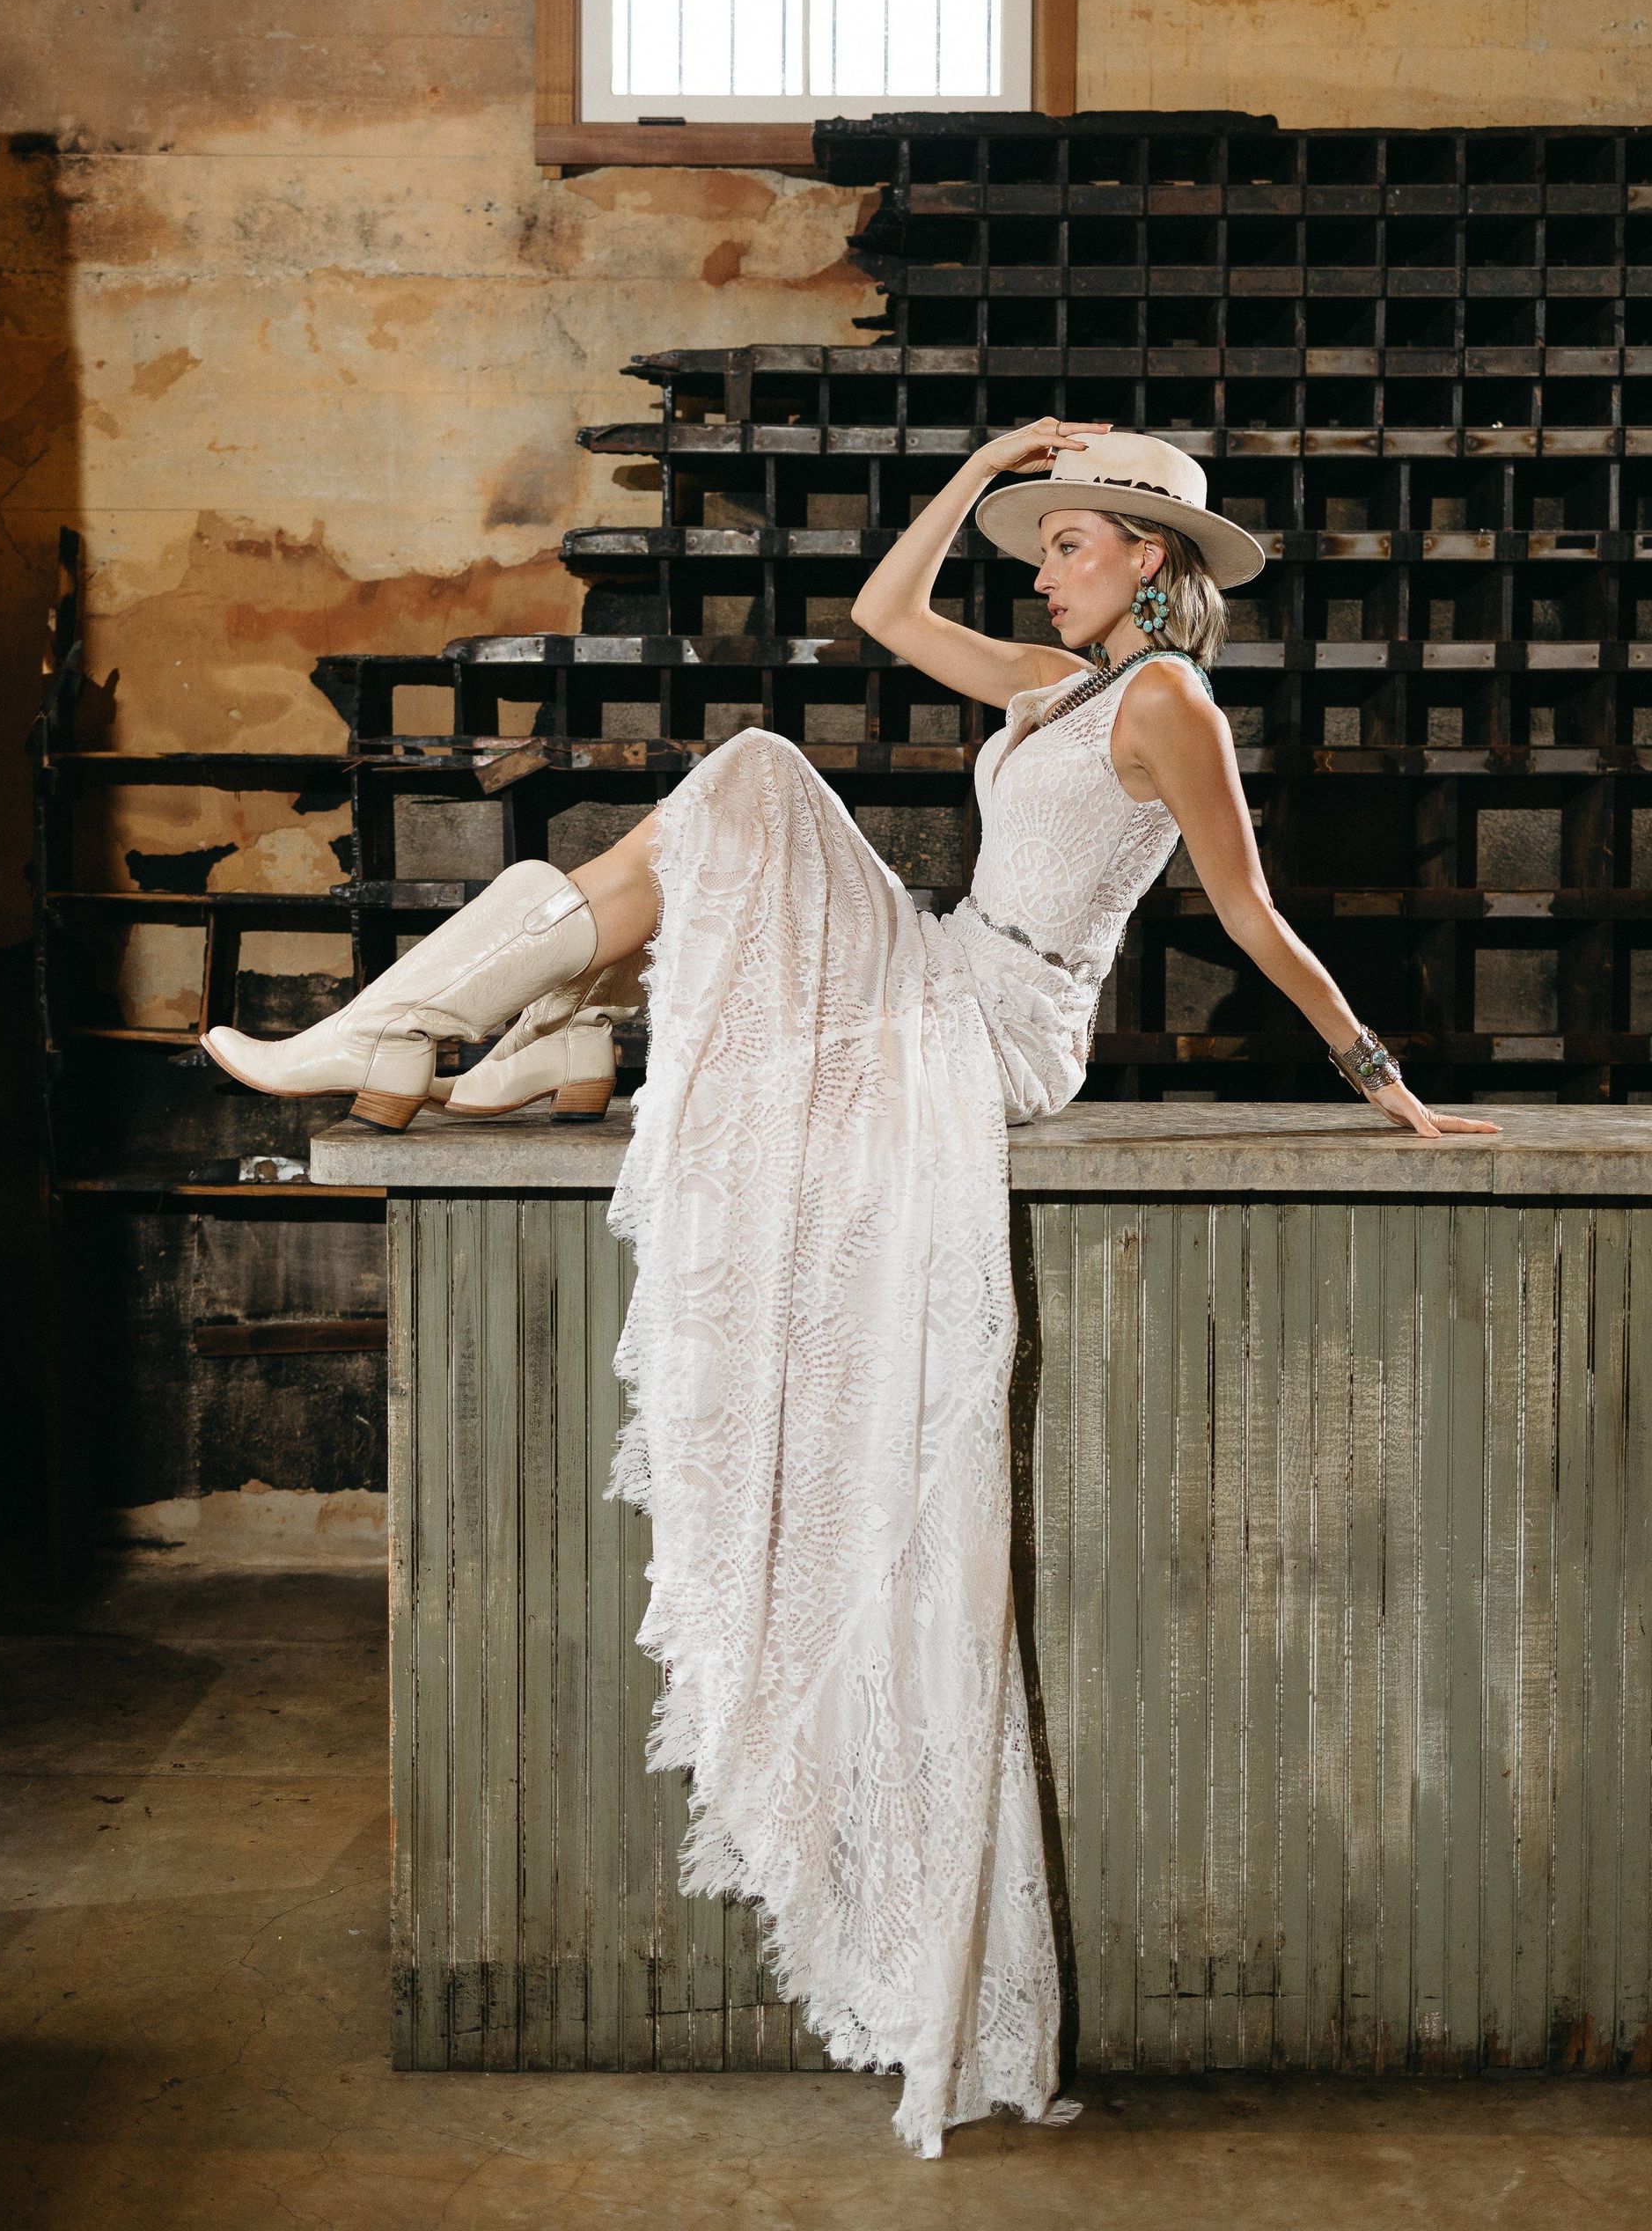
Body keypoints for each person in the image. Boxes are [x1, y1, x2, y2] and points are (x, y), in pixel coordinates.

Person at [202, 422, 1497, 2156]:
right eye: (1042, 542)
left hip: (1002, 1029)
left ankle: (449, 1027)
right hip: (939, 974)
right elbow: (889, 609)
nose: (1044, 564)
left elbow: (1251, 916)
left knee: (740, 783)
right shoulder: (1046, 681)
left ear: (1155, 563)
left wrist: (1384, 1081)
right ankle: (508, 1033)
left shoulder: (1164, 709)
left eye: (1074, 543)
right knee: (733, 796)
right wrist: (975, 470)